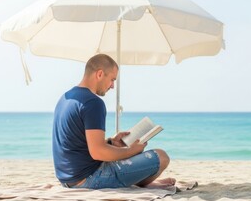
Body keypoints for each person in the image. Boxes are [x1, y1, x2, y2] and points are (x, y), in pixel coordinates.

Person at [52, 54, 174, 189]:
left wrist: (111, 142)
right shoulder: (93, 102)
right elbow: (97, 152)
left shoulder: (65, 98)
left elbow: (78, 144)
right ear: (99, 74)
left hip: (67, 179)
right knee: (162, 156)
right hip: (89, 179)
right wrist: (131, 150)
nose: (112, 86)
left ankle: (140, 181)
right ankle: (141, 183)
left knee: (120, 151)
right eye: (112, 79)